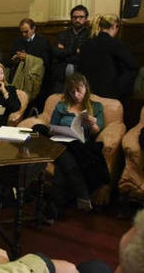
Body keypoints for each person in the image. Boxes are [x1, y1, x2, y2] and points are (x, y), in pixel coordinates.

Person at [41, 73, 109, 217]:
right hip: (60, 141)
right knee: (60, 148)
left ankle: (56, 205)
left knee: (62, 161)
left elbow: (98, 131)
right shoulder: (61, 106)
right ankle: (82, 194)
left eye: (79, 90)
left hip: (80, 146)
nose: (76, 94)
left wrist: (94, 124)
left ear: (86, 88)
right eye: (72, 91)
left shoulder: (95, 107)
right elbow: (52, 127)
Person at [79, 13, 139, 100]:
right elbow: (134, 65)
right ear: (115, 26)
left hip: (88, 90)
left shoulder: (86, 44)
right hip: (109, 92)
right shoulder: (114, 43)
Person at [9, 18, 50, 106]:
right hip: (20, 79)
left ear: (33, 29)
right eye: (22, 32)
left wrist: (28, 58)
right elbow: (10, 60)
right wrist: (15, 59)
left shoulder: (42, 42)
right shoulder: (18, 41)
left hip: (34, 79)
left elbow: (45, 61)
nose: (24, 34)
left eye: (26, 32)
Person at [51, 5, 91, 94]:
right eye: (75, 17)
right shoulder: (62, 34)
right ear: (71, 18)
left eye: (81, 17)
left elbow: (86, 55)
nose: (77, 20)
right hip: (62, 75)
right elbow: (56, 52)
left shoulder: (90, 35)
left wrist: (65, 51)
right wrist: (74, 51)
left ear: (86, 18)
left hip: (82, 74)